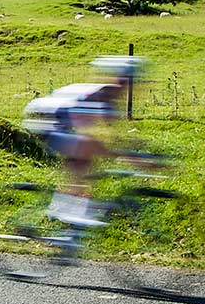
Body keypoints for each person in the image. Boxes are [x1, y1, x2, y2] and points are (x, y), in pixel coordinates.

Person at [21, 56, 142, 228]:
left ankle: (64, 212)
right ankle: (66, 211)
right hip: (44, 120)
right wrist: (134, 158)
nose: (127, 86)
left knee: (83, 163)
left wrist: (138, 152)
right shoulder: (103, 94)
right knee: (89, 147)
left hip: (56, 124)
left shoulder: (108, 99)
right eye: (125, 81)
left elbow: (116, 138)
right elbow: (106, 141)